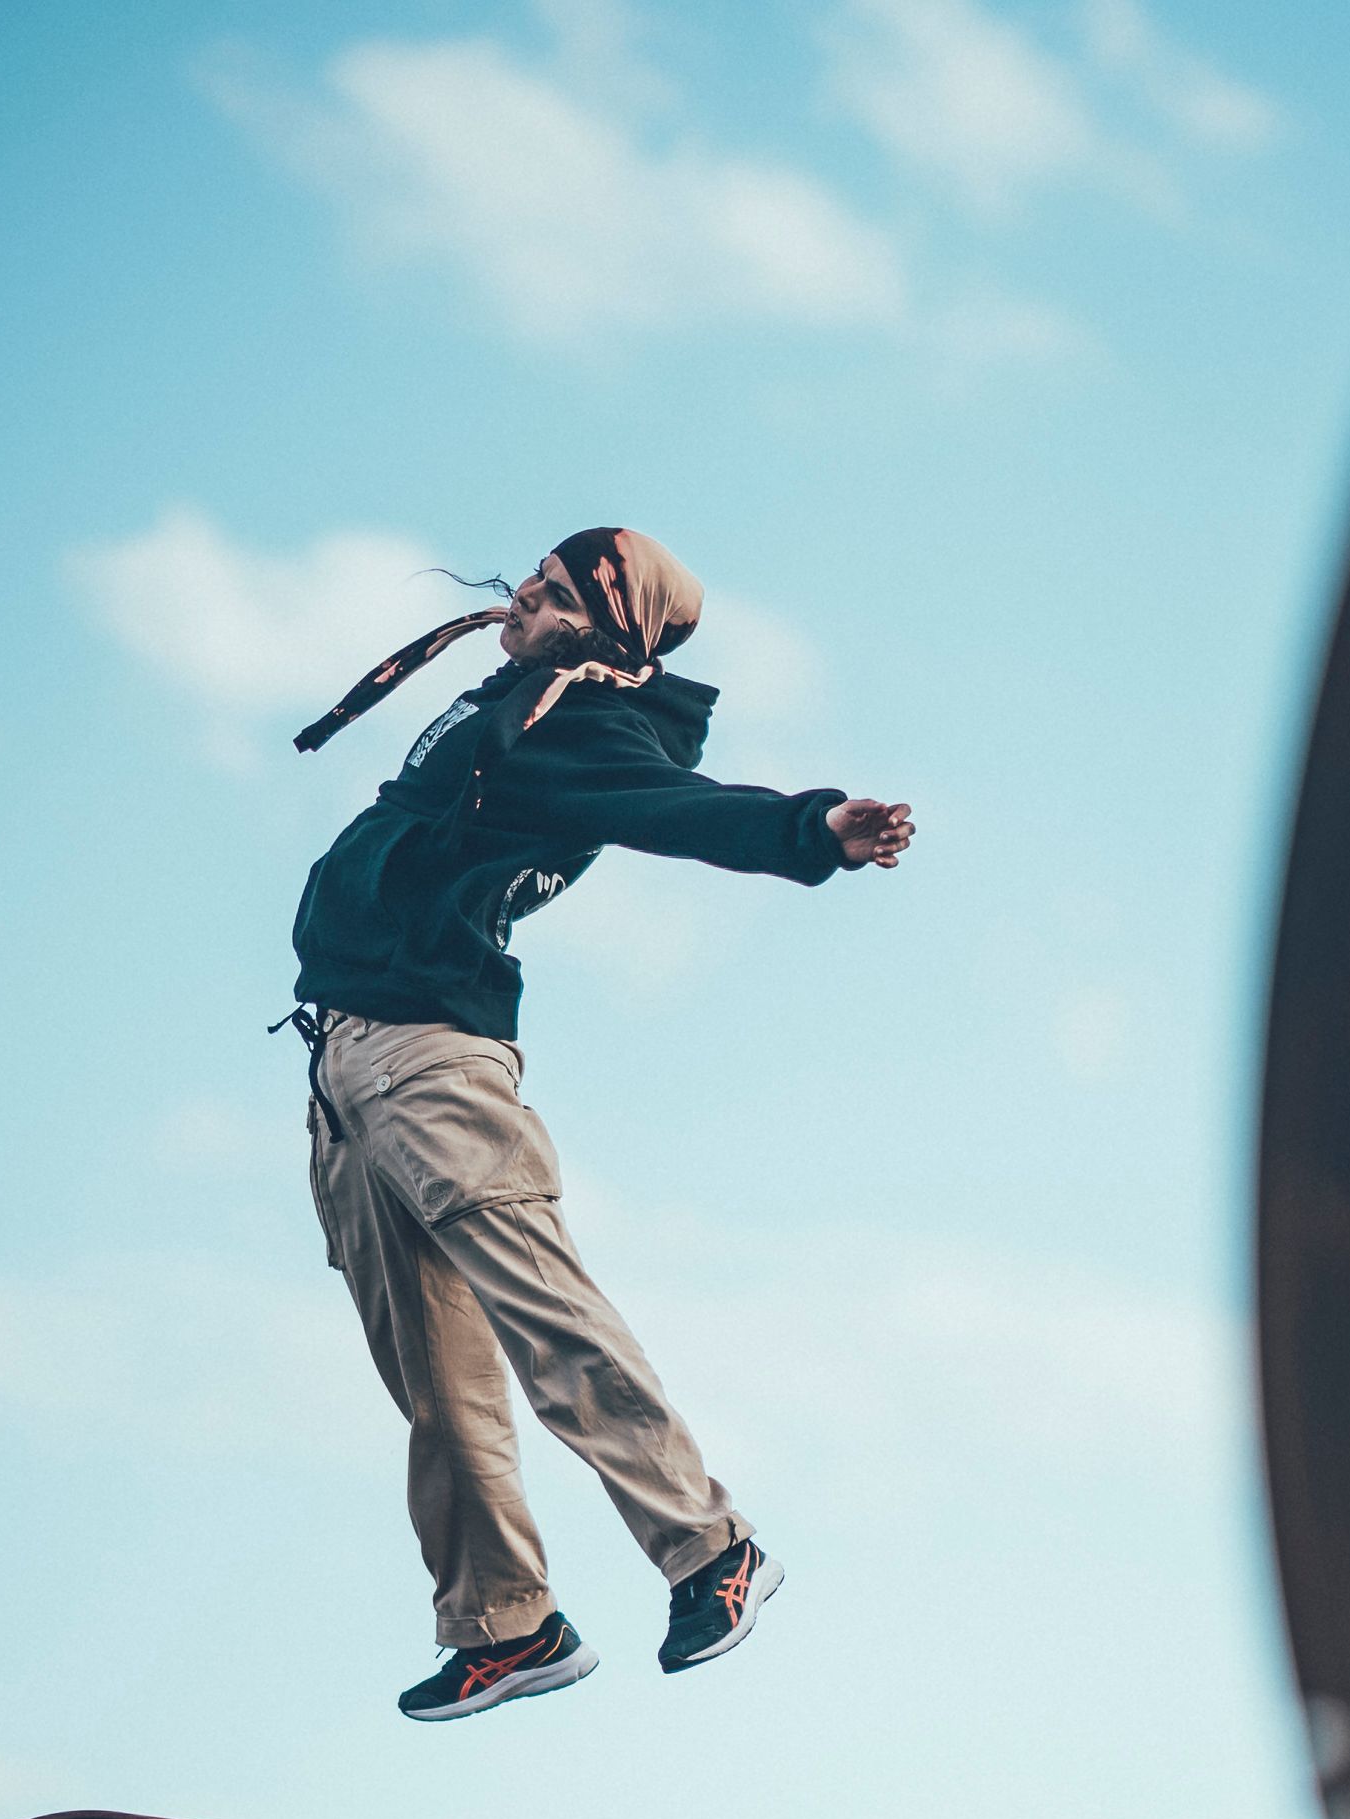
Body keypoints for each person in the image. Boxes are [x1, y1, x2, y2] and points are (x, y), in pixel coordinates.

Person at [285, 525, 914, 1722]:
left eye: (559, 590)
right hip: (347, 1068)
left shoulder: (576, 721)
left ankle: (709, 1549)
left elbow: (679, 807)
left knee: (545, 1314)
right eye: (532, 575)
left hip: (430, 1062)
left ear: (609, 627)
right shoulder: (512, 706)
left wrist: (811, 829)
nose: (525, 593)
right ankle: (507, 1625)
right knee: (435, 1379)